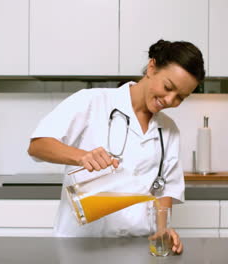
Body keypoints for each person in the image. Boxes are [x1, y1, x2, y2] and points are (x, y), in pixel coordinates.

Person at [28, 39, 205, 254]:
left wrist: (163, 230)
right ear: (152, 67)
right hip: (81, 245)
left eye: (180, 98)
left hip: (136, 247)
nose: (169, 100)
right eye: (168, 87)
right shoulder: (93, 102)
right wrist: (81, 156)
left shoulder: (168, 129)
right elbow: (38, 145)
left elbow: (164, 188)